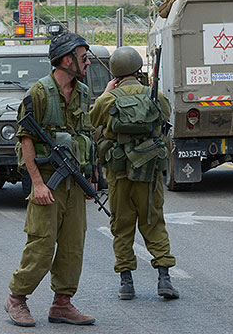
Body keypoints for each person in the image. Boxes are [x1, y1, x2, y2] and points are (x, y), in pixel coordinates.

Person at [6, 33, 96, 327]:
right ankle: (17, 299)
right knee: (42, 245)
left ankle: (62, 304)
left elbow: (87, 137)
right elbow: (25, 139)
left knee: (73, 246)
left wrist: (90, 178)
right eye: (83, 57)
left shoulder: (82, 92)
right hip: (48, 179)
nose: (87, 62)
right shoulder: (39, 93)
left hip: (74, 181)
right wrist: (38, 184)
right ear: (67, 59)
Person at [89, 46, 179, 301]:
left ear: (115, 73)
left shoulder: (108, 100)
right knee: (153, 222)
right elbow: (165, 117)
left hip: (118, 174)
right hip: (148, 173)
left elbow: (90, 121)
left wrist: (107, 93)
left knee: (122, 226)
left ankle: (126, 283)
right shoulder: (155, 95)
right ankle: (164, 279)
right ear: (138, 69)